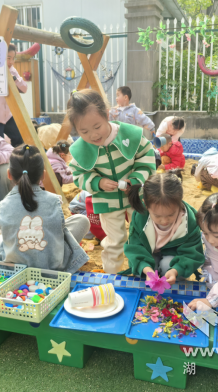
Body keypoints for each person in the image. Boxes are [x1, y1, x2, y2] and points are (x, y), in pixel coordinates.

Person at [68, 89, 156, 274]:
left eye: (97, 126)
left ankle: (143, 271)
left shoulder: (129, 134)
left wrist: (136, 179)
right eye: (84, 131)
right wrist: (97, 182)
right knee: (114, 241)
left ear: (107, 115)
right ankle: (112, 276)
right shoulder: (81, 149)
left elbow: (146, 157)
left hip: (136, 196)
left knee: (143, 235)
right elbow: (78, 174)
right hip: (106, 201)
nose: (93, 135)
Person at [0, 144, 90, 274]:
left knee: (0, 239)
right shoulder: (54, 200)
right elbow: (58, 232)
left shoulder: (2, 206)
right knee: (82, 220)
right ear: (43, 175)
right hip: (53, 268)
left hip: (16, 269)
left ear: (9, 174)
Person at [123, 170, 205, 284]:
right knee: (142, 271)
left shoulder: (190, 222)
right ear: (146, 205)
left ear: (180, 202)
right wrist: (147, 270)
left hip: (175, 257)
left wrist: (176, 270)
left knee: (167, 264)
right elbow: (135, 248)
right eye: (157, 216)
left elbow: (192, 253)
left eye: (171, 215)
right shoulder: (140, 217)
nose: (164, 221)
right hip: (149, 253)